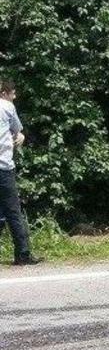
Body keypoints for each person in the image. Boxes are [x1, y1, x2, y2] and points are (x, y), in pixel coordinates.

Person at [0, 78, 40, 265]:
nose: (14, 96)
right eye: (12, 93)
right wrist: (21, 136)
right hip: (3, 167)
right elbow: (17, 131)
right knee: (13, 211)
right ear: (4, 93)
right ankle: (22, 254)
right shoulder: (7, 107)